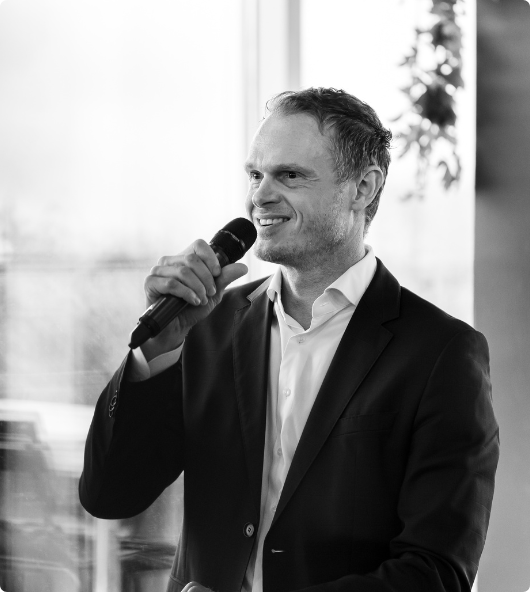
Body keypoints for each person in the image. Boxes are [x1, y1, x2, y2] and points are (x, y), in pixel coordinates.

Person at [79, 87, 499, 592]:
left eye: (290, 175)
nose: (260, 196)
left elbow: (436, 573)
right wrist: (157, 348)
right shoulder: (206, 326)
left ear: (363, 187)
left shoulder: (441, 353)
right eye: (255, 175)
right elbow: (109, 495)